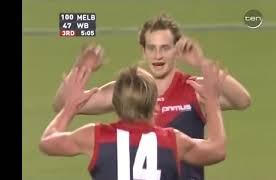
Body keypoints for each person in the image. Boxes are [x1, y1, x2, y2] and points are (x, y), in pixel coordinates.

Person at [53, 14, 251, 180]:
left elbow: (242, 100)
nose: (158, 55)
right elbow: (63, 103)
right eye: (151, 48)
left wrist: (202, 62)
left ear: (176, 50)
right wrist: (81, 69)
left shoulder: (194, 88)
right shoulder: (128, 89)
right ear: (143, 51)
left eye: (165, 48)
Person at [40, 63, 227, 180]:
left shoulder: (94, 136)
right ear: (155, 105)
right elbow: (217, 149)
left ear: (115, 104)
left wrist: (70, 107)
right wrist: (211, 100)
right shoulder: (173, 141)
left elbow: (47, 142)